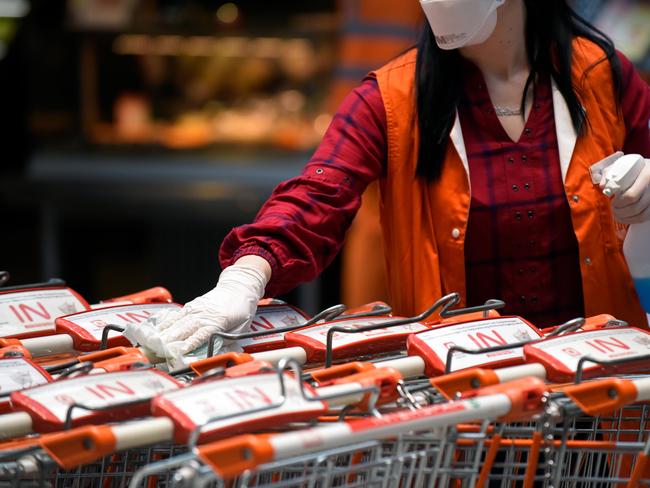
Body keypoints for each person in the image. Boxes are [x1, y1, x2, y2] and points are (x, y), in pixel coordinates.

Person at [133, 0, 650, 359]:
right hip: (464, 399)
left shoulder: (601, 75)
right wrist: (246, 276)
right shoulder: (390, 98)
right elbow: (318, 193)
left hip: (596, 386)